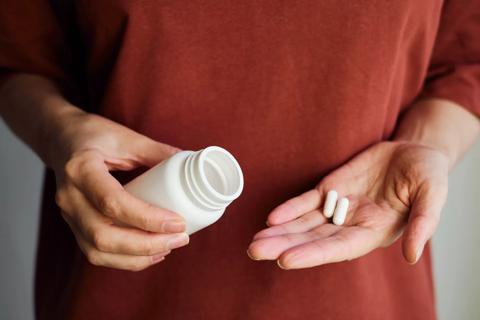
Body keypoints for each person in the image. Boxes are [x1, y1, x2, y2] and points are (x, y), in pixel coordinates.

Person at [0, 1, 479, 319]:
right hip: (124, 297)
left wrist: (428, 144)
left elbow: (465, 62)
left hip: (361, 295)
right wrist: (59, 132)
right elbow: (20, 59)